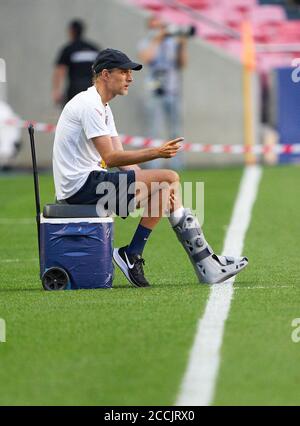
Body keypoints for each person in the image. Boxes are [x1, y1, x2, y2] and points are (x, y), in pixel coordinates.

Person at [52, 48, 248, 288]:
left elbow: (126, 165)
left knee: (165, 188)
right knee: (169, 177)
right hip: (81, 187)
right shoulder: (89, 105)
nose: (130, 78)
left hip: (91, 182)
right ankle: (203, 261)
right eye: (124, 72)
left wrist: (150, 177)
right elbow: (112, 157)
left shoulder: (102, 106)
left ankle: (137, 255)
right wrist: (156, 153)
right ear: (105, 74)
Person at [137, 15, 189, 170]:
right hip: (154, 90)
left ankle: (177, 162)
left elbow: (182, 63)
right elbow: (147, 58)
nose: (160, 30)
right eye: (156, 27)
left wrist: (182, 45)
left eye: (161, 26)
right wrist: (157, 40)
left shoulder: (172, 43)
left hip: (173, 90)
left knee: (176, 129)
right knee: (154, 129)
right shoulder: (146, 43)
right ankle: (154, 163)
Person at [52, 19, 100, 106]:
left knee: (73, 116)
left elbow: (60, 71)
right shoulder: (94, 49)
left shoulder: (69, 49)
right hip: (92, 89)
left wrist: (56, 91)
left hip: (75, 89)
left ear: (71, 31)